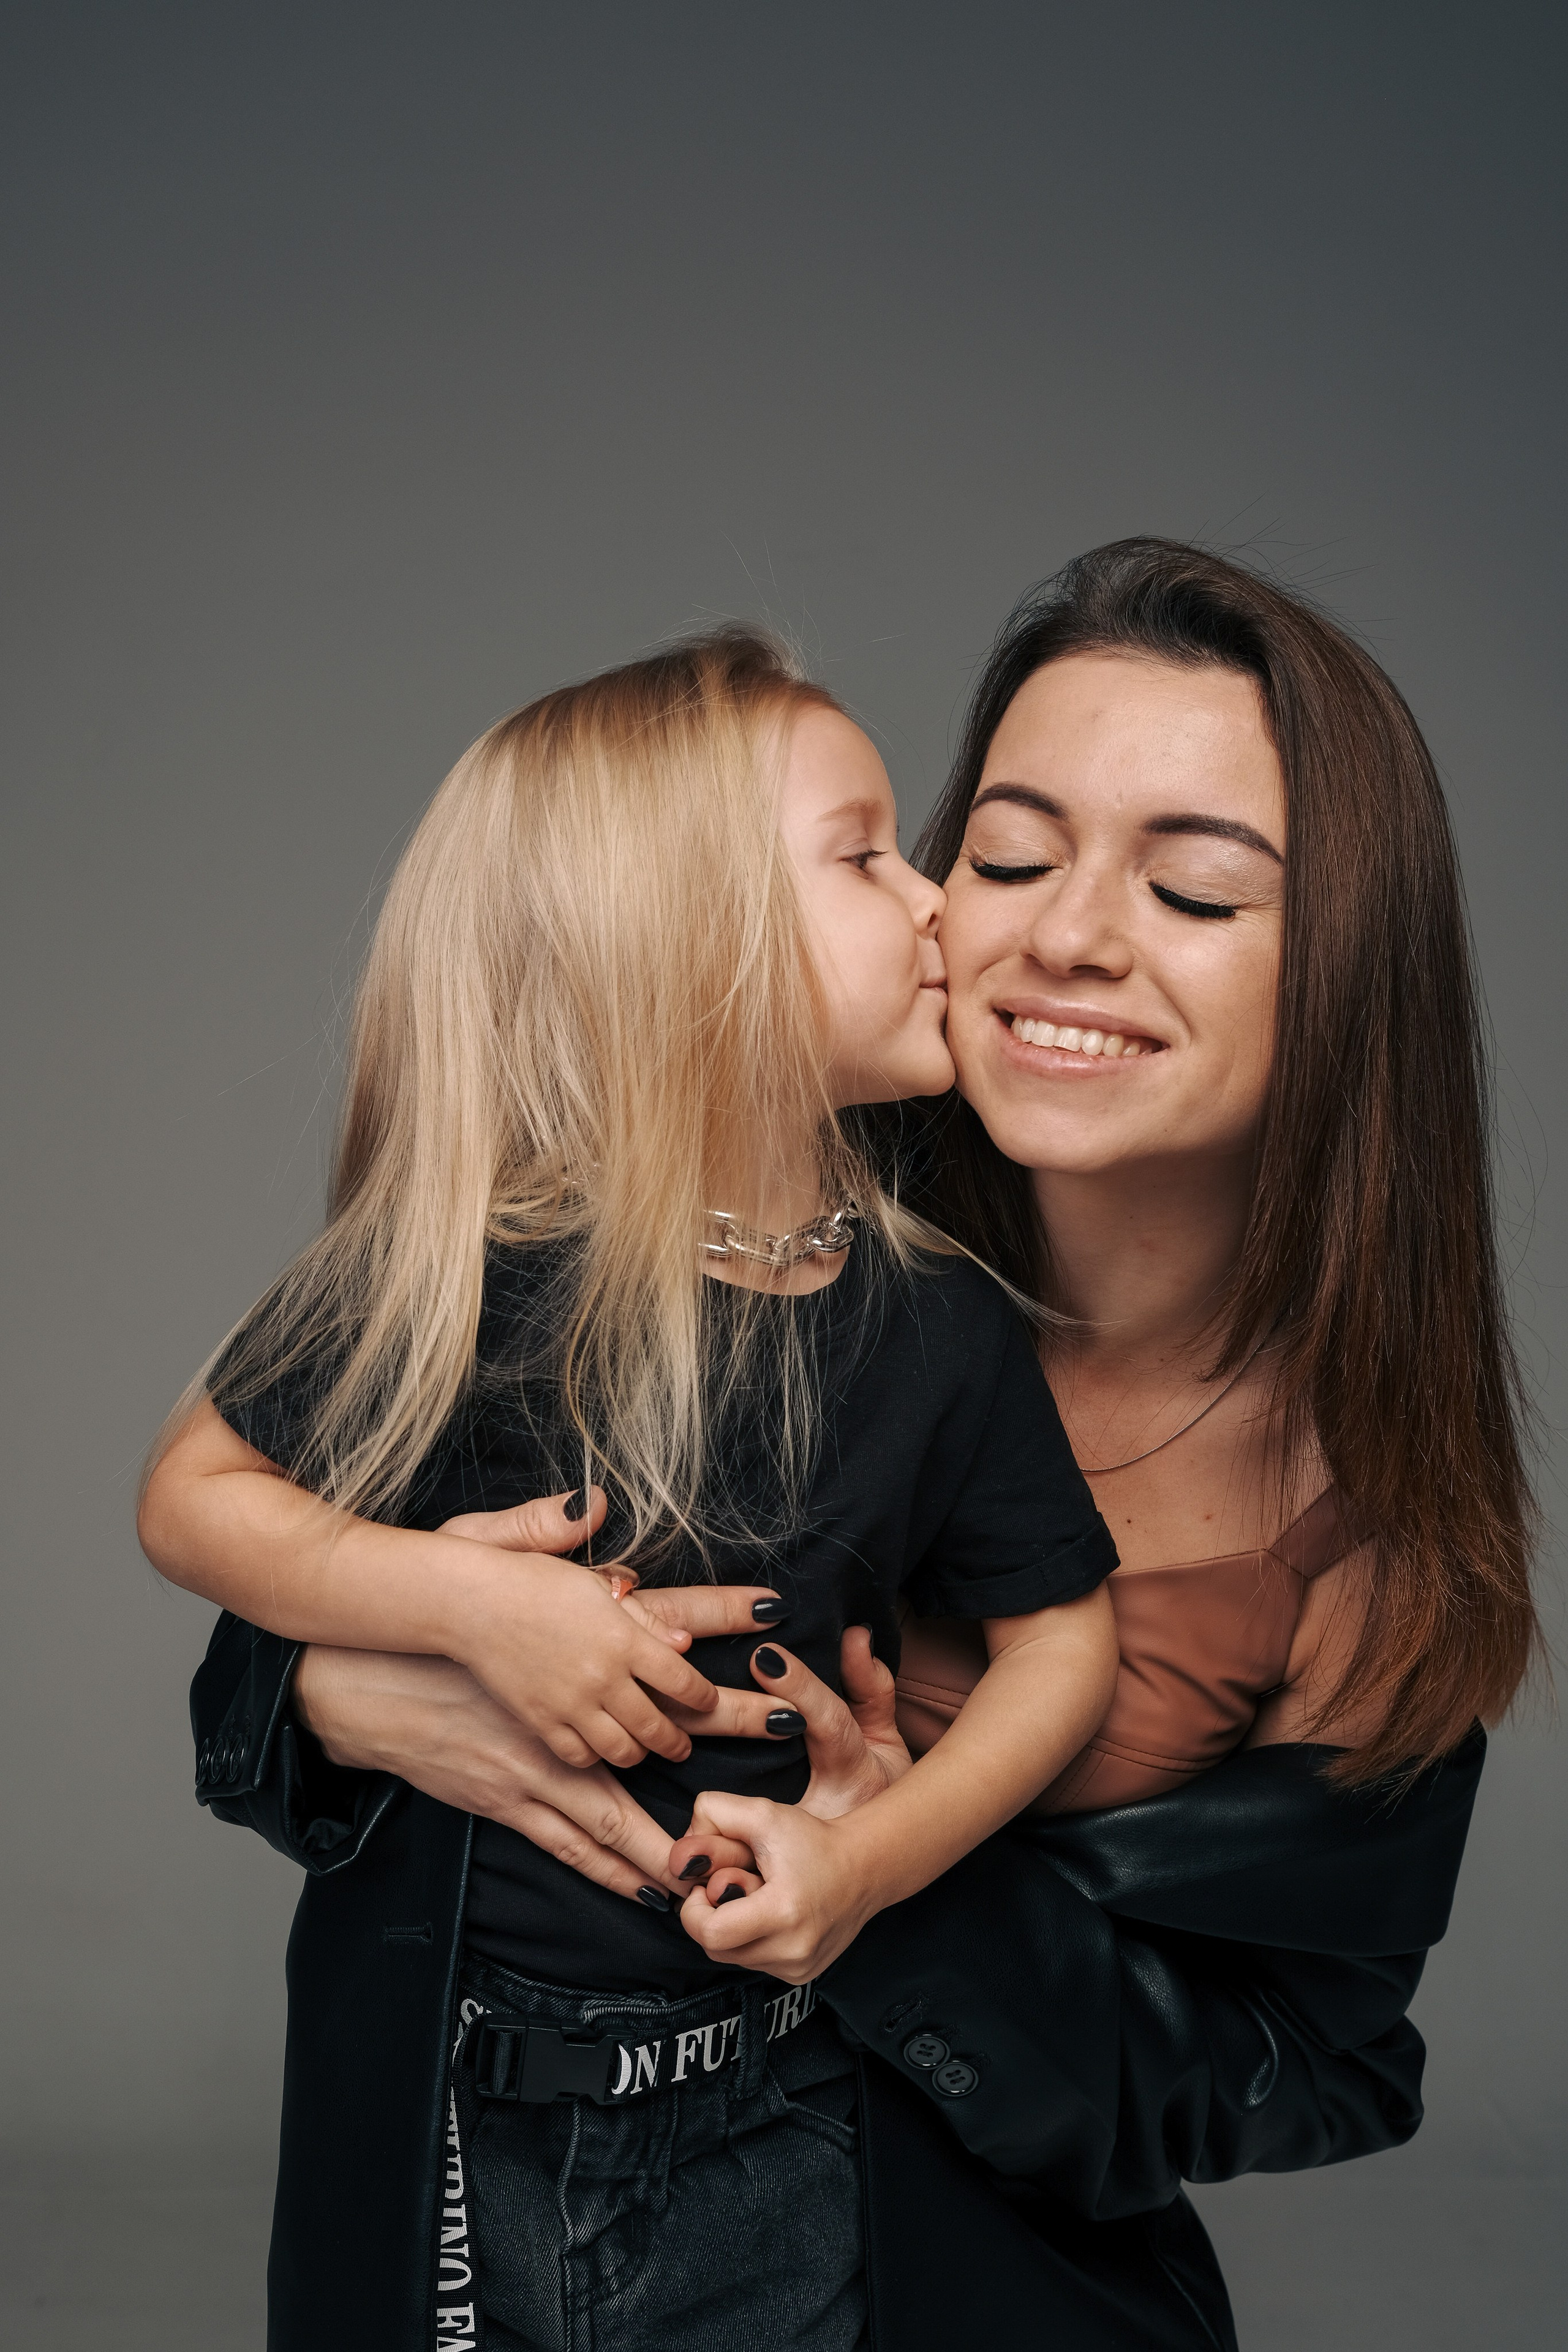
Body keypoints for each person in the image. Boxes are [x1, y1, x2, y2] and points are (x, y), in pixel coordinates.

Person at [177, 543, 1537, 2350]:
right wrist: (355, 1683)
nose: (1060, 933)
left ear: (1347, 976)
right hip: (500, 2214)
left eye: (1198, 890)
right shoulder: (746, 1212)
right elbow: (276, 1584)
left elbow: (1309, 2068)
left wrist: (889, 1895)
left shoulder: (1363, 1535)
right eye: (1010, 852)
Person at [140, 630, 1121, 2350]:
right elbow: (194, 1493)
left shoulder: (941, 1322)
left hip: (781, 2129)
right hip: (460, 2129)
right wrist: (465, 1604)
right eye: (865, 852)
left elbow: (1064, 1645)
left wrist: (876, 1861)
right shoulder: (487, 1267)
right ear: (693, 948)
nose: (942, 902)